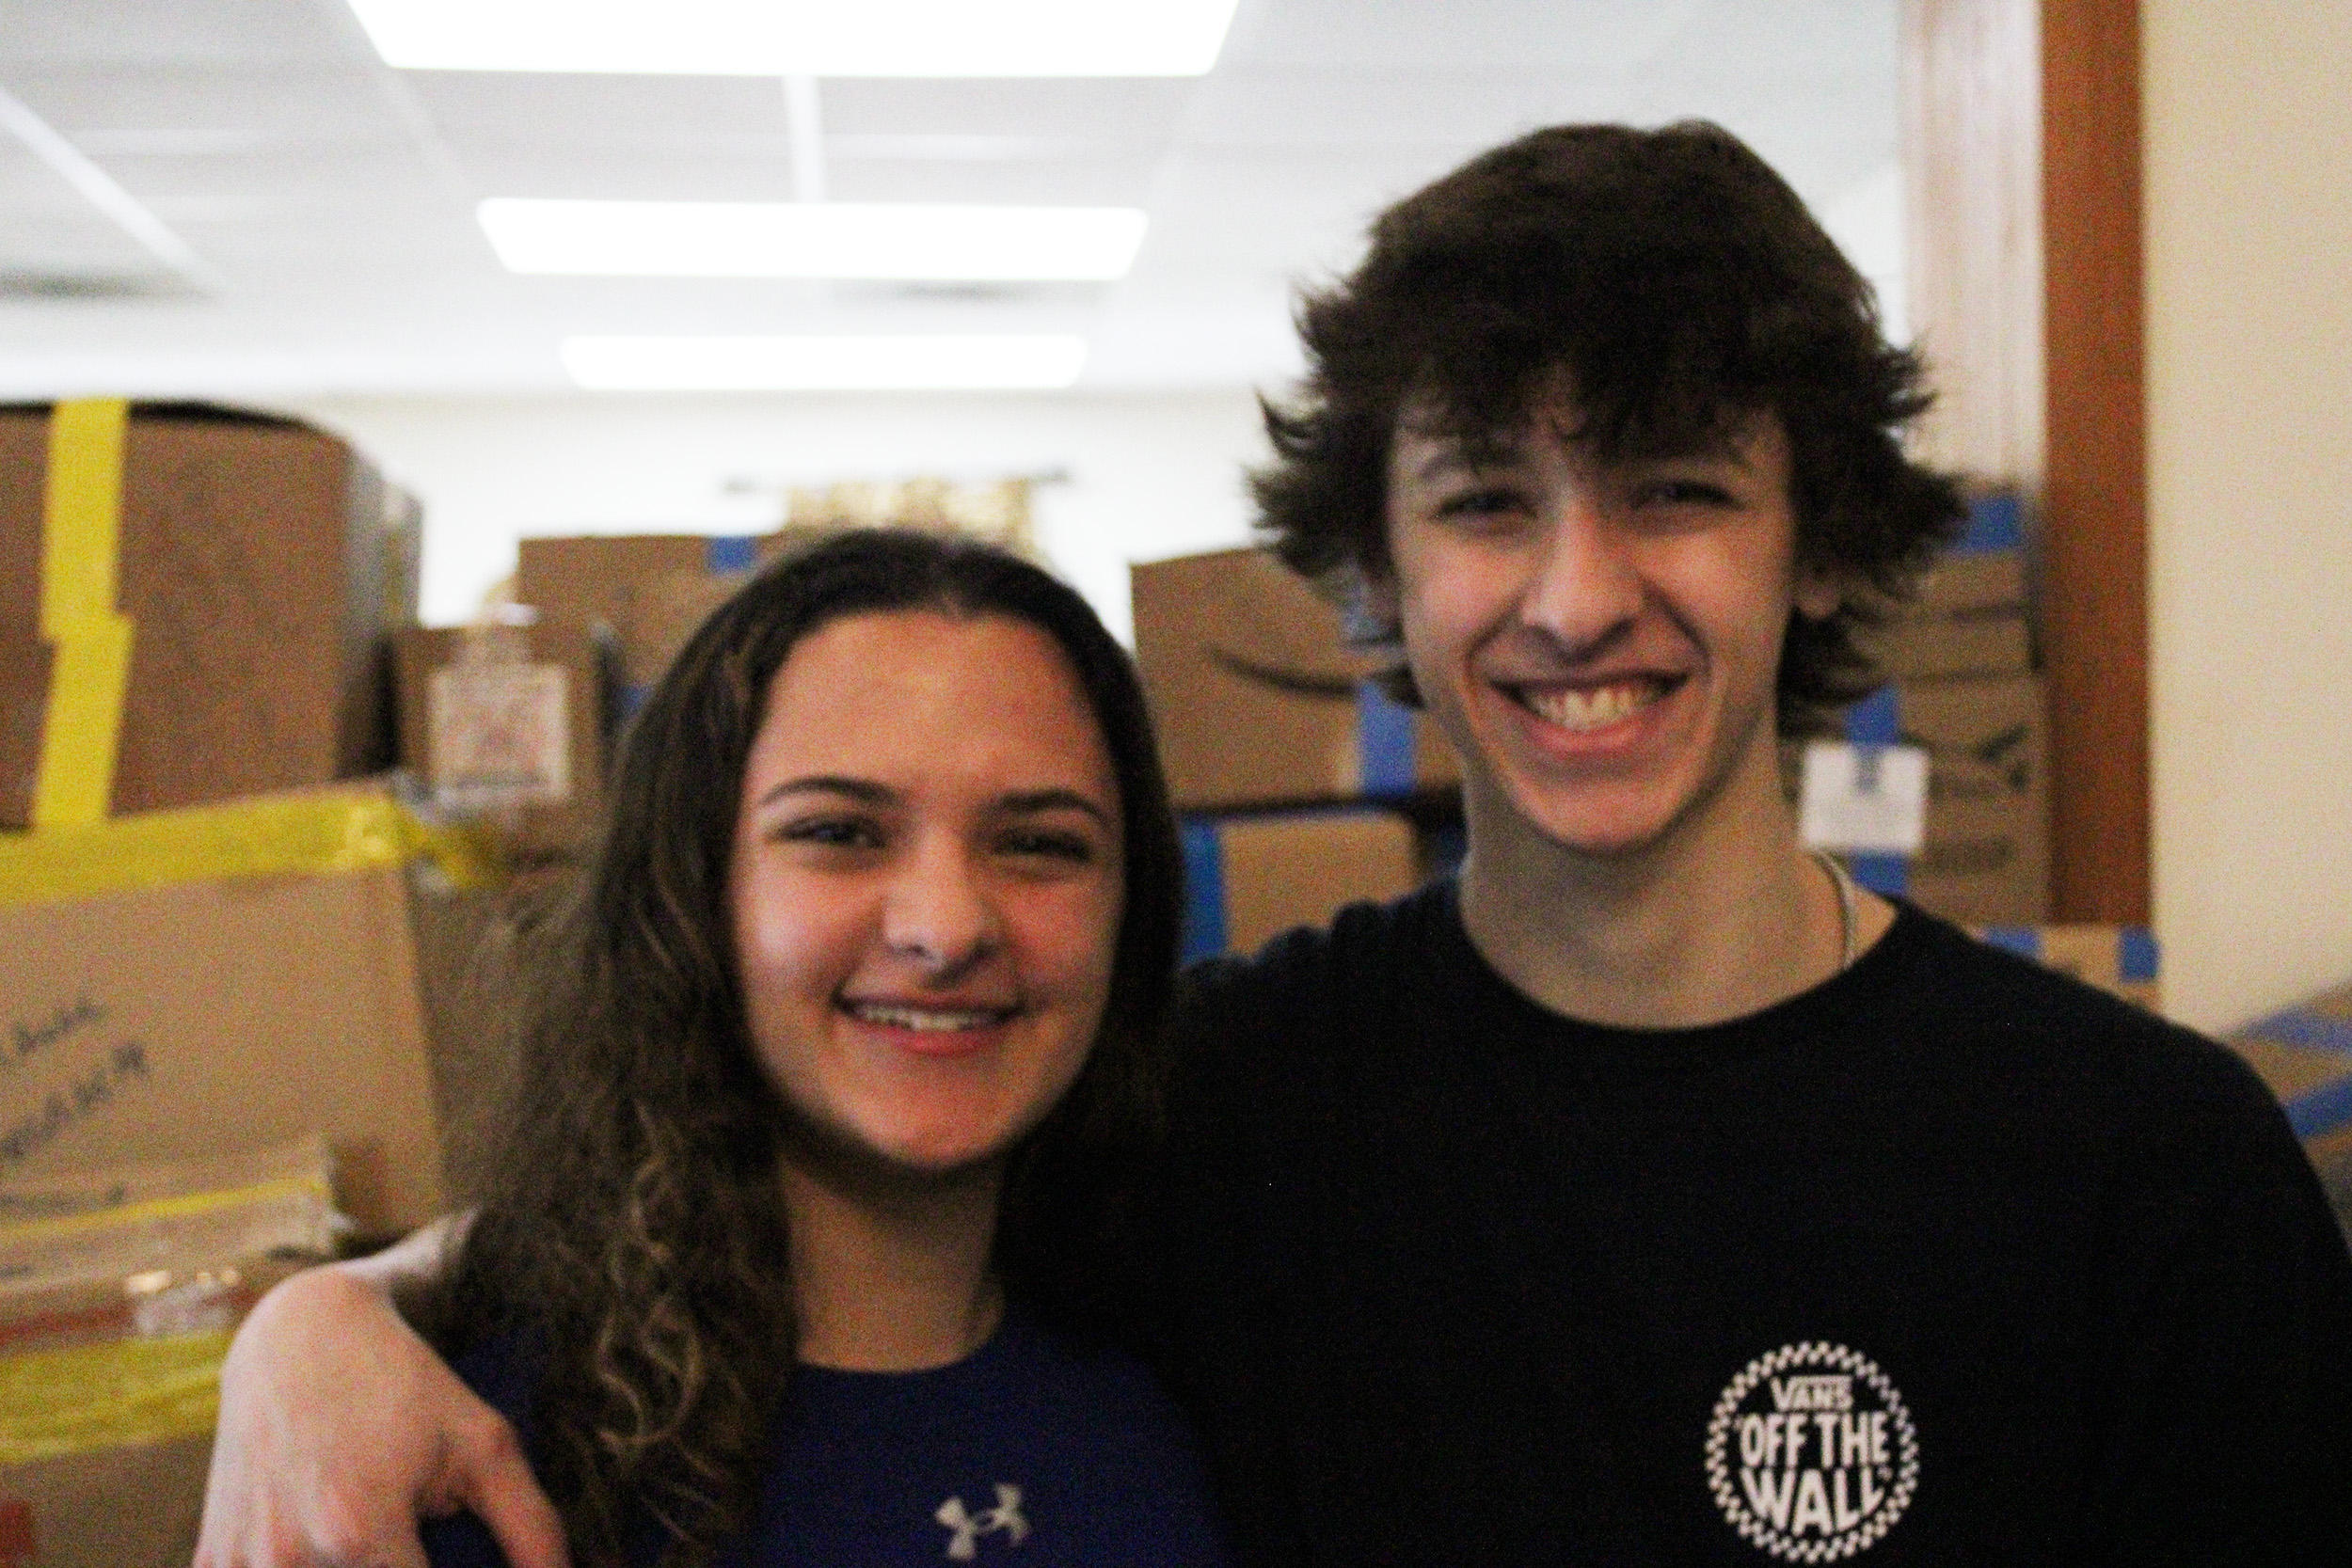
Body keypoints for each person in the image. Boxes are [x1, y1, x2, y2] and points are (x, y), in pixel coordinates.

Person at [198, 122, 2352, 1568]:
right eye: (1488, 502)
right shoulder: (1208, 1113)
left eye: (1678, 488)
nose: (1576, 594)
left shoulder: (2132, 1177)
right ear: (1381, 570)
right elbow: (732, 1198)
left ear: (1818, 548)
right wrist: (316, 1325)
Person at [213, 528, 1232, 1567]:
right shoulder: (457, 1470)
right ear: (695, 897)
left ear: (1129, 914)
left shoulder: (1190, 1406)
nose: (945, 925)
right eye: (839, 832)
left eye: (1039, 843)